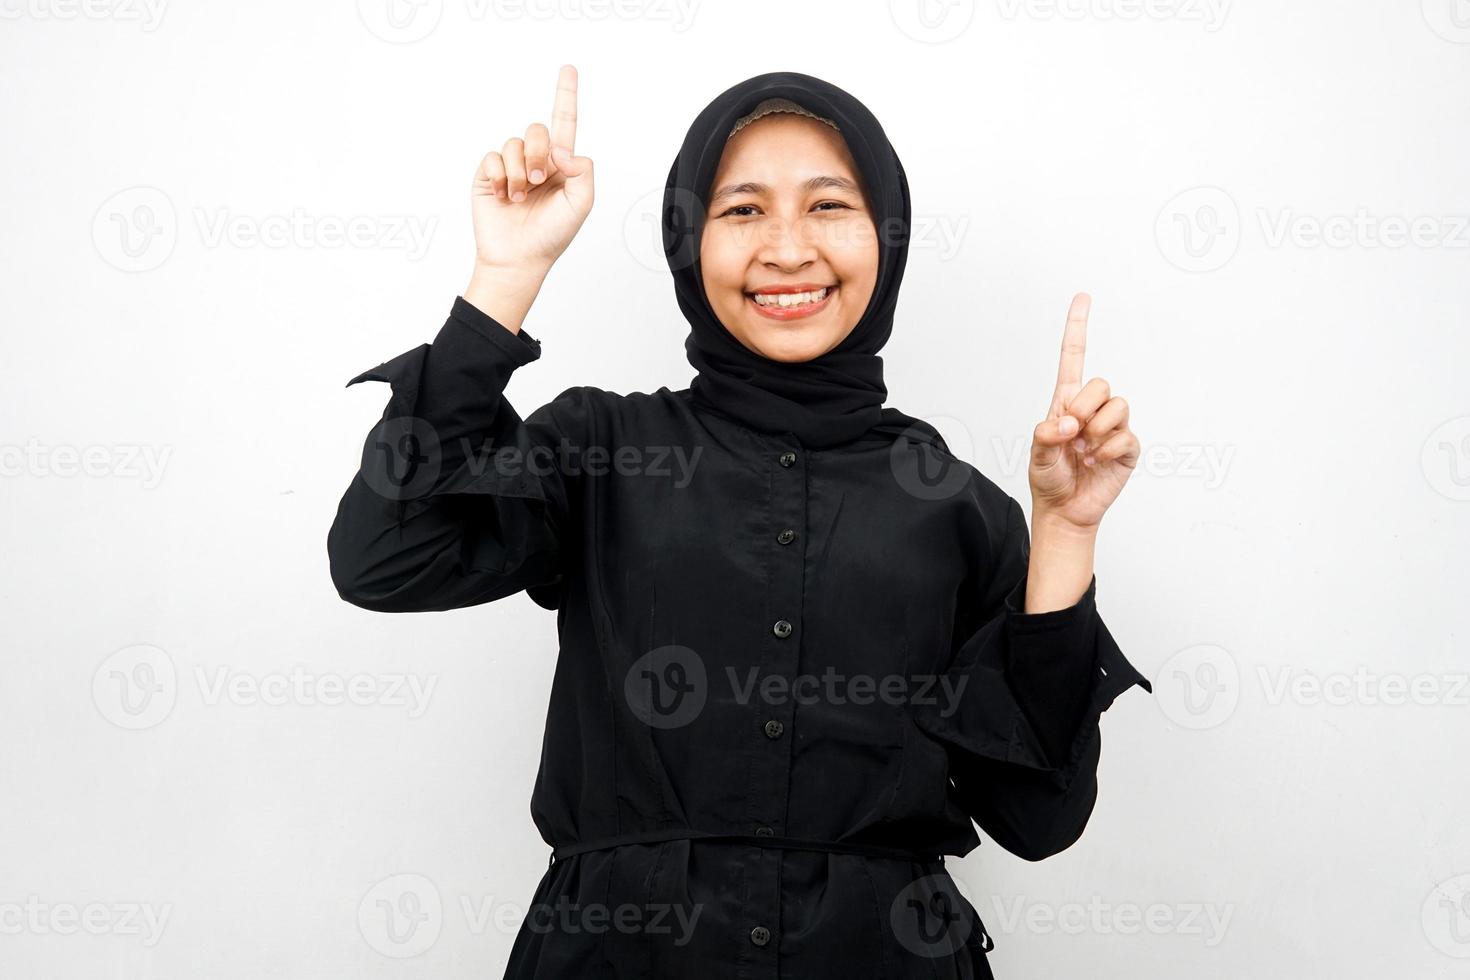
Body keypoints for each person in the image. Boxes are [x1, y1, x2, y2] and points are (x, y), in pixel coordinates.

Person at [327, 64, 1153, 980]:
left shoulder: (957, 507)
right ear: (689, 239)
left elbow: (1039, 820)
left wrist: (1067, 535)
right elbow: (385, 559)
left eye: (830, 206)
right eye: (744, 210)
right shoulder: (603, 448)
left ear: (888, 238)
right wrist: (504, 278)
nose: (789, 249)